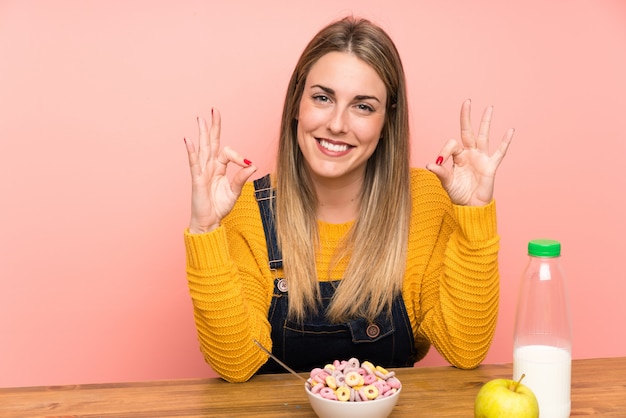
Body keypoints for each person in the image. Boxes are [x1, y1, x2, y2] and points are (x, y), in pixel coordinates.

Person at [183, 16, 514, 383]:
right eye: (323, 98)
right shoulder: (248, 208)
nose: (338, 124)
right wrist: (206, 230)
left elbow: (464, 350)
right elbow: (236, 363)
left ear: (387, 122)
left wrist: (475, 215)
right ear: (297, 104)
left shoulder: (426, 200)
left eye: (363, 106)